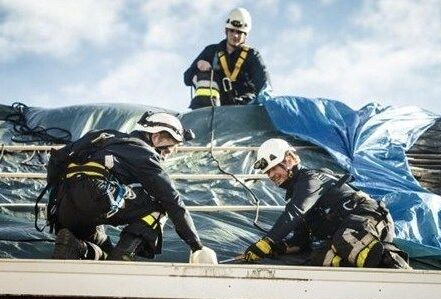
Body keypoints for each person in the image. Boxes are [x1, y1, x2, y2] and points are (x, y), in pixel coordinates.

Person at [46, 111, 213, 261]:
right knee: (159, 206)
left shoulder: (103, 136)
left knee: (102, 243)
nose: (165, 155)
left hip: (64, 208)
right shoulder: (144, 153)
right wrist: (196, 245)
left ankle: (75, 247)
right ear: (156, 137)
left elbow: (56, 159)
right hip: (97, 198)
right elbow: (171, 199)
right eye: (167, 150)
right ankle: (121, 258)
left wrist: (58, 202)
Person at [243, 138, 411, 269]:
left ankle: (394, 265)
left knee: (345, 239)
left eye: (274, 168)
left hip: (369, 217)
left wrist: (267, 242)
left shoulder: (311, 179)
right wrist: (276, 248)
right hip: (352, 232)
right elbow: (300, 242)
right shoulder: (297, 195)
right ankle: (366, 268)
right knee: (319, 257)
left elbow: (295, 213)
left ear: (289, 160)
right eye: (268, 172)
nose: (271, 175)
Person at [183, 7, 270, 109]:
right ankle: (202, 118)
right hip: (214, 110)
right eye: (232, 31)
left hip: (244, 110)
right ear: (226, 30)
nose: (235, 35)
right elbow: (187, 78)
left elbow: (264, 86)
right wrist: (197, 66)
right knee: (203, 76)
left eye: (240, 32)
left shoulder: (252, 55)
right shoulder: (211, 51)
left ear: (246, 35)